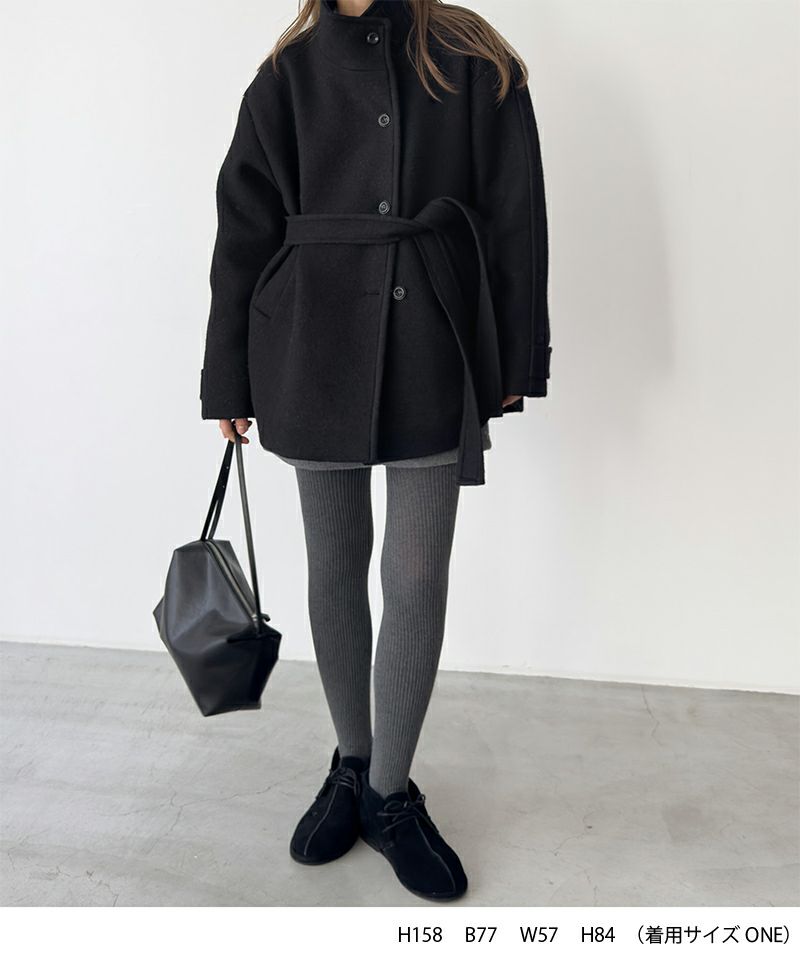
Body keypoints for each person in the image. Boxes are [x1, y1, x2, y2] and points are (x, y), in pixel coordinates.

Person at [200, 0, 550, 902]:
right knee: (334, 566)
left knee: (417, 574)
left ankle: (392, 794)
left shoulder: (473, 58)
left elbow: (515, 216)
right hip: (307, 344)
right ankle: (351, 764)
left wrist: (516, 355)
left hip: (435, 340)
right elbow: (243, 226)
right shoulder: (285, 74)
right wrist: (226, 379)